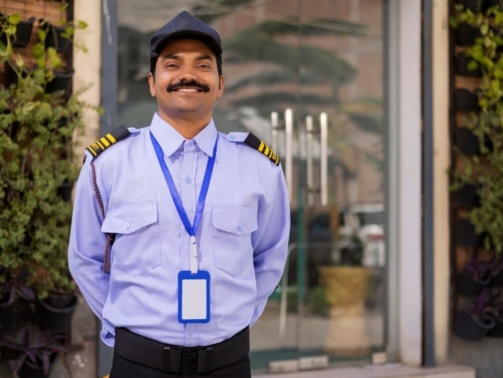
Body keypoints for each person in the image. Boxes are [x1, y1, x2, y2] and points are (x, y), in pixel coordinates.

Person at [68, 10, 290, 378]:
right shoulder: (107, 164)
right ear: (153, 82)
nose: (188, 74)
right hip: (139, 363)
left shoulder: (259, 168)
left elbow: (270, 256)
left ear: (220, 84)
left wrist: (236, 318)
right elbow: (86, 258)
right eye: (173, 64)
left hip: (228, 363)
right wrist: (124, 322)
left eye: (203, 66)